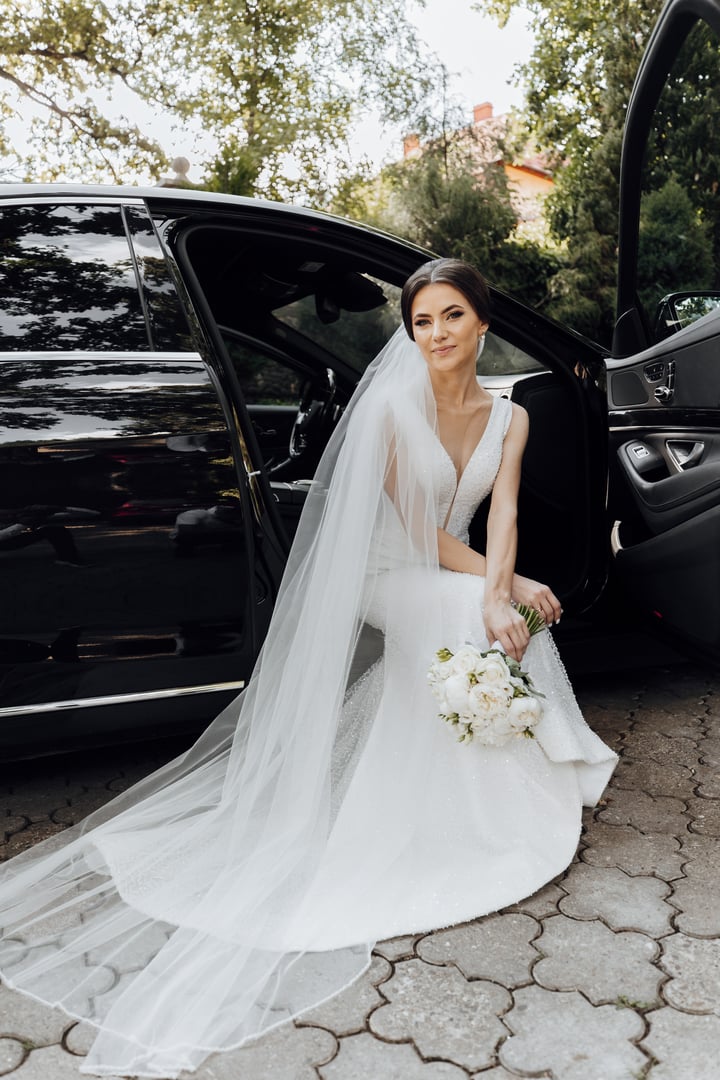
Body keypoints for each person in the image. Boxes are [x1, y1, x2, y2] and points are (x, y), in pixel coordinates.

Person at [0, 258, 617, 1078]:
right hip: (388, 568)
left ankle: (515, 787)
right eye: (421, 321)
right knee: (467, 613)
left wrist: (511, 585)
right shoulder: (393, 409)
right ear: (409, 333)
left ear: (482, 323)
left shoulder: (512, 417)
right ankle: (458, 809)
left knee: (504, 614)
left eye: (452, 316)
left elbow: (502, 513)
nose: (436, 334)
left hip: (460, 569)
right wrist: (498, 591)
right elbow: (416, 531)